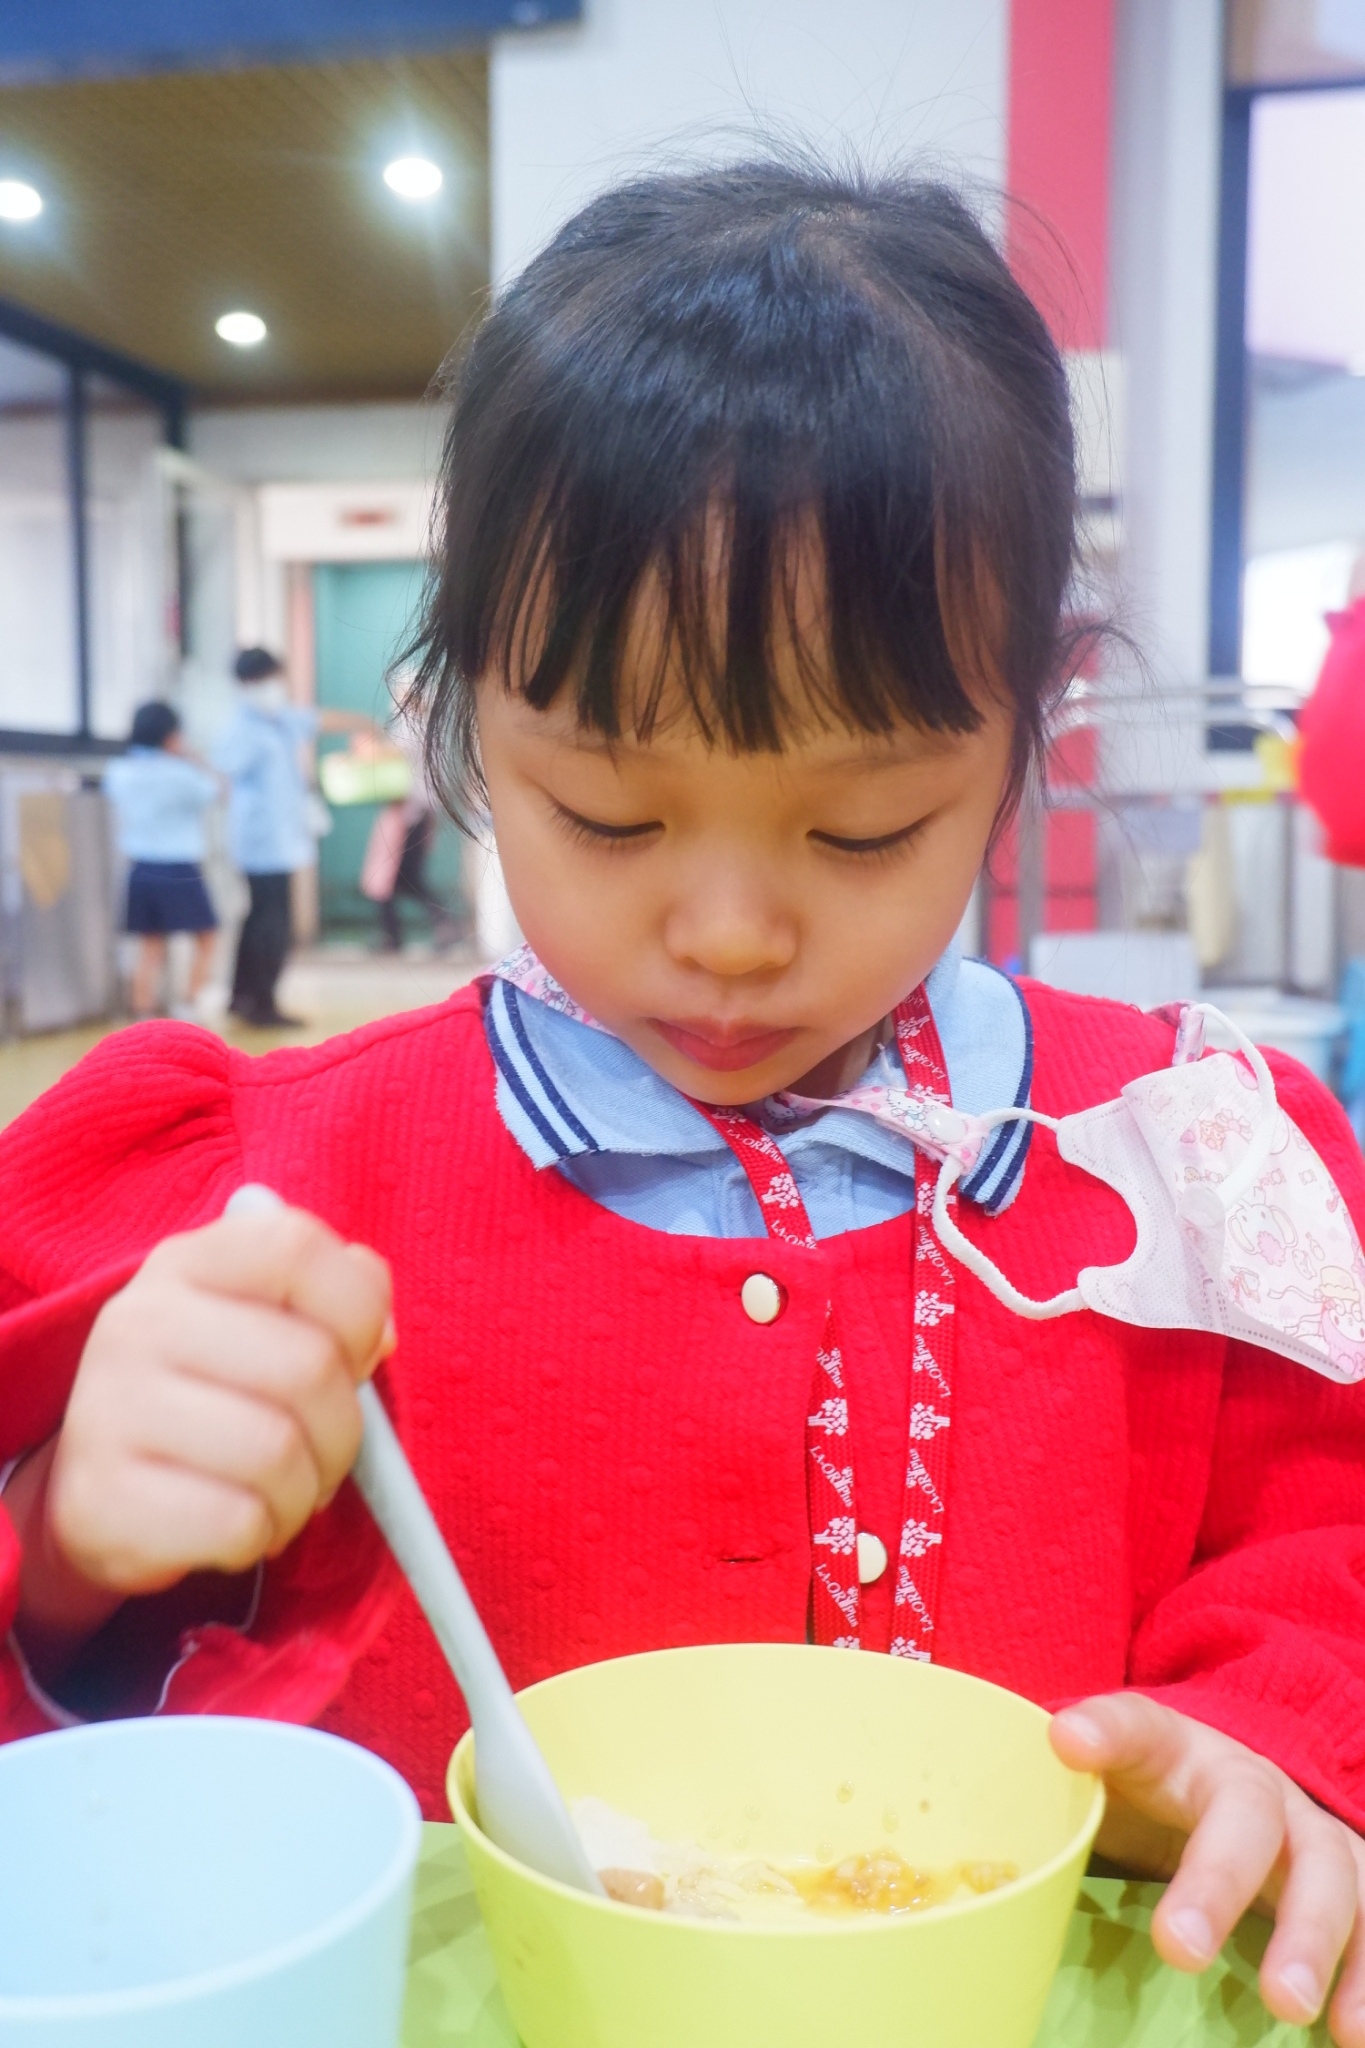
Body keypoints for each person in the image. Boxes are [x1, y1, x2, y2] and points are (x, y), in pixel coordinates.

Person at [1, 165, 1365, 2044]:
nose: (728, 936)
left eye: (864, 826)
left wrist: (1266, 1733)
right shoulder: (262, 1185)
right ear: (461, 707)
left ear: (1024, 727)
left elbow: (1322, 1527)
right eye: (609, 814)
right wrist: (66, 1551)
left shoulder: (1176, 1163)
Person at [214, 649, 377, 1029]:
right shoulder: (242, 730)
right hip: (260, 844)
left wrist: (368, 723)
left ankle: (243, 997)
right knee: (270, 925)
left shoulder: (280, 720)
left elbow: (319, 719)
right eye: (264, 679)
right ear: (246, 685)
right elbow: (223, 774)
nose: (273, 687)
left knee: (260, 920)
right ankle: (261, 1003)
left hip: (280, 842)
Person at [103, 700, 220, 1020]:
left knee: (150, 946)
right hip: (180, 867)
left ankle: (143, 1010)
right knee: (207, 937)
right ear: (171, 737)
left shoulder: (120, 771)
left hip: (140, 869)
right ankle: (188, 1003)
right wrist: (194, 757)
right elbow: (219, 791)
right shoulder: (182, 774)